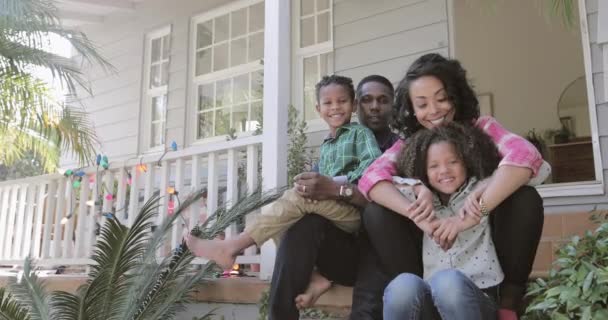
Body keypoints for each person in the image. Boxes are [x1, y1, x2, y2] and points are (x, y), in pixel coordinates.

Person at [357, 53, 550, 320]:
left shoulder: (482, 128)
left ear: (456, 95)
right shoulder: (411, 143)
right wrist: (415, 197)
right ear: (412, 108)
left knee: (525, 198)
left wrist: (479, 204)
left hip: (483, 249)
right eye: (422, 104)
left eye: (442, 98)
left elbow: (526, 156)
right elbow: (371, 179)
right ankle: (417, 291)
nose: (434, 110)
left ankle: (509, 298)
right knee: (376, 212)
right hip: (431, 249)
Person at [187, 74, 381, 276]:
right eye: (328, 103)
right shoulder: (326, 145)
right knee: (284, 212)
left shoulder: (360, 134)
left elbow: (373, 167)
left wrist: (336, 183)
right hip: (331, 211)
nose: (335, 107)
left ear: (354, 105)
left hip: (352, 212)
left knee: (295, 199)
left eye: (342, 101)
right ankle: (314, 277)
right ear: (318, 109)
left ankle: (231, 247)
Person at [266, 75, 398, 320]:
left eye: (383, 100)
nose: (375, 107)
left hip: (380, 252)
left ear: (394, 105)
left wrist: (338, 190)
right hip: (342, 251)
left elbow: (386, 204)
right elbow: (316, 190)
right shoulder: (334, 145)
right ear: (358, 105)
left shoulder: (400, 149)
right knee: (303, 221)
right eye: (368, 100)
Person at [384, 122, 502, 320]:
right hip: (433, 303)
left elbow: (539, 169)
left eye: (453, 162)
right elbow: (374, 185)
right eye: (434, 166)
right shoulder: (423, 203)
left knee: (448, 282)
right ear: (424, 171)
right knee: (402, 285)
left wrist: (484, 192)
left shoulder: (478, 192)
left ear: (466, 161)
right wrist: (418, 188)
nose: (444, 170)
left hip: (478, 299)